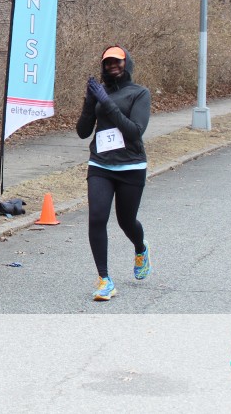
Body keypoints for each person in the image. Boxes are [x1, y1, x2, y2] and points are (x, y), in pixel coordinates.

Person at [76, 45, 152, 301]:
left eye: (117, 62)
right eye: (107, 63)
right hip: (100, 165)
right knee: (97, 218)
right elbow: (83, 132)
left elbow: (135, 131)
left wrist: (107, 104)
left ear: (126, 63)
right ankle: (104, 279)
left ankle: (140, 248)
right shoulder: (100, 93)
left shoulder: (139, 93)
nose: (112, 66)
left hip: (131, 166)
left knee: (126, 221)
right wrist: (90, 102)